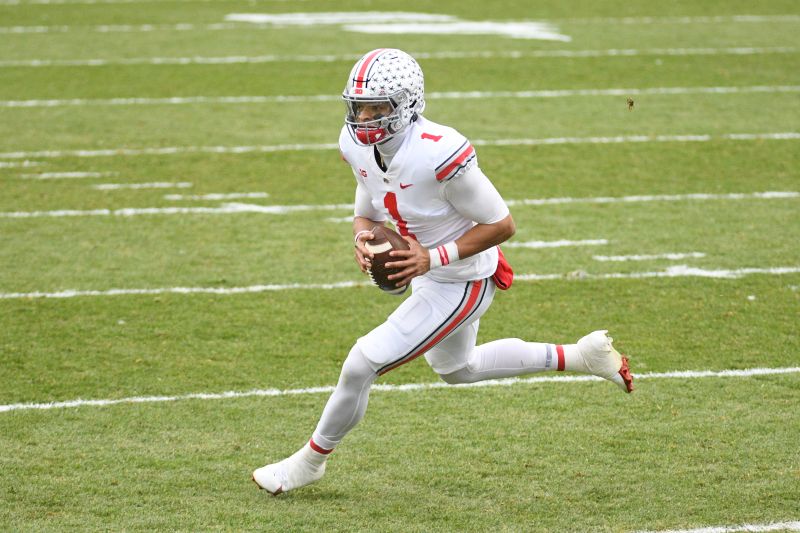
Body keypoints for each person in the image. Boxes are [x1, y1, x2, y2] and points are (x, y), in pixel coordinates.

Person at [252, 48, 633, 495]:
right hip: (430, 272)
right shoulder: (356, 143)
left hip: (463, 278)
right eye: (360, 106)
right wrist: (361, 236)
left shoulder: (439, 152)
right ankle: (581, 355)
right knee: (458, 369)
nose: (365, 117)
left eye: (378, 107)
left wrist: (431, 259)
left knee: (361, 363)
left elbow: (502, 224)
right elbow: (368, 202)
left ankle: (310, 461)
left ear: (408, 105)